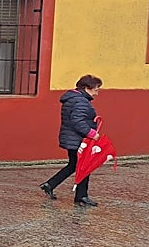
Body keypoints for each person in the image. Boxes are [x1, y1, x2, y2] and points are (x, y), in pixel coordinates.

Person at [40, 74, 103, 207]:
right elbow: (77, 121)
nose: (97, 93)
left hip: (72, 138)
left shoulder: (74, 99)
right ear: (86, 88)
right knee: (84, 166)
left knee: (74, 165)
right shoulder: (80, 102)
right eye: (96, 90)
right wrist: (92, 133)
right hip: (78, 139)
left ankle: (50, 184)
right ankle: (81, 196)